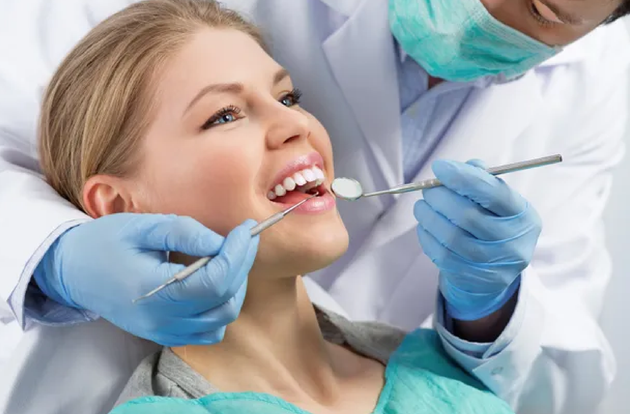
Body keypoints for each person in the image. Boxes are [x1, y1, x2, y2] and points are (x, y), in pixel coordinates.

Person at [0, 0, 628, 413]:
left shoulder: (438, 387)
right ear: (115, 204)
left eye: (291, 95)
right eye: (224, 114)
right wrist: (58, 257)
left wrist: (490, 312)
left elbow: (573, 370)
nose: (296, 125)